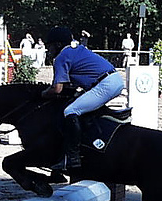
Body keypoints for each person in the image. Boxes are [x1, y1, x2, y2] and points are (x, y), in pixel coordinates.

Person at [41, 27, 124, 171]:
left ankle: (72, 158)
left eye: (50, 46)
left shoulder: (61, 57)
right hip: (114, 79)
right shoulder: (76, 49)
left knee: (70, 111)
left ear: (58, 44)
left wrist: (42, 94)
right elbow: (70, 85)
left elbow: (57, 89)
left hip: (105, 85)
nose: (49, 49)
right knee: (78, 104)